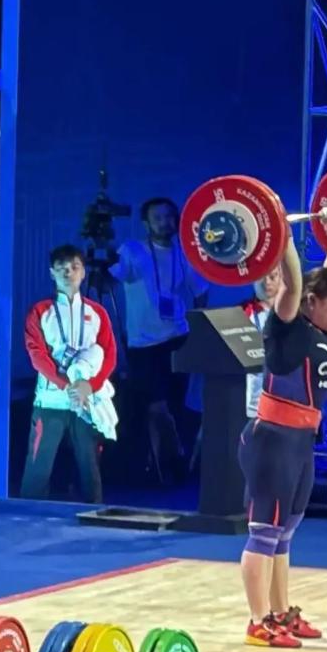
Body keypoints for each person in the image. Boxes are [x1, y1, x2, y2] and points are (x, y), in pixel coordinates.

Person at [238, 210, 327, 648]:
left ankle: (281, 613)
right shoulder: (287, 325)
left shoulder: (324, 326)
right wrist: (281, 235)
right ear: (310, 302)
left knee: (285, 532)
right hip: (272, 441)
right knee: (264, 532)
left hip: (301, 443)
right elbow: (293, 282)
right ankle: (257, 622)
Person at [110, 197, 209, 480]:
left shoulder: (184, 253)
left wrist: (197, 326)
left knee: (173, 404)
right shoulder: (132, 250)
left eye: (168, 217)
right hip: (142, 343)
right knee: (156, 405)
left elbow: (201, 290)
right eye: (157, 218)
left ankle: (163, 467)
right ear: (146, 223)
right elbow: (112, 276)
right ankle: (171, 458)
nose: (164, 223)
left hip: (178, 337)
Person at [21, 244, 117, 503]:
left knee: (90, 468)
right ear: (51, 273)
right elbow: (37, 356)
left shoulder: (97, 313)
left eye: (74, 267)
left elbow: (109, 355)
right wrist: (68, 387)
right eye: (61, 268)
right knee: (38, 468)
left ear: (83, 272)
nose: (68, 273)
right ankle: (27, 516)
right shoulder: (40, 311)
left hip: (87, 403)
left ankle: (93, 514)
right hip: (50, 402)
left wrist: (90, 386)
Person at [242, 267, 282, 419]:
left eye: (273, 276)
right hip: (253, 404)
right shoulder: (243, 313)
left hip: (282, 401)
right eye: (261, 276)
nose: (267, 282)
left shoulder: (291, 315)